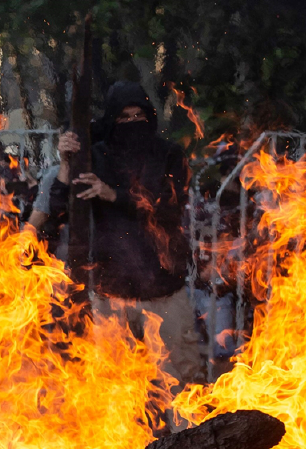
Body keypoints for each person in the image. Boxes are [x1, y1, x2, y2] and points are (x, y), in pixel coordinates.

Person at [52, 81, 202, 392]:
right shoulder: (94, 156)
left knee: (183, 385)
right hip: (111, 290)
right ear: (111, 119)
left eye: (139, 116)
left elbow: (168, 208)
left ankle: (189, 441)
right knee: (113, 391)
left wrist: (111, 194)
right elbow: (59, 208)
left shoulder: (169, 154)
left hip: (163, 288)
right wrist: (67, 164)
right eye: (124, 118)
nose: (133, 124)